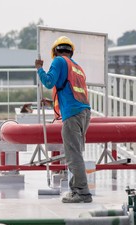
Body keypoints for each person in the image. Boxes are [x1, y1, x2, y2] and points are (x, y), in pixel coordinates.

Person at [35, 36, 92, 203]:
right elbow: (68, 91)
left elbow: (48, 81)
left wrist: (39, 68)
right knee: (76, 153)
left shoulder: (59, 62)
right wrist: (51, 102)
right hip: (84, 113)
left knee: (73, 155)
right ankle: (78, 190)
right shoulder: (77, 67)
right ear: (71, 51)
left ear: (55, 52)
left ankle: (82, 192)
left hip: (73, 115)